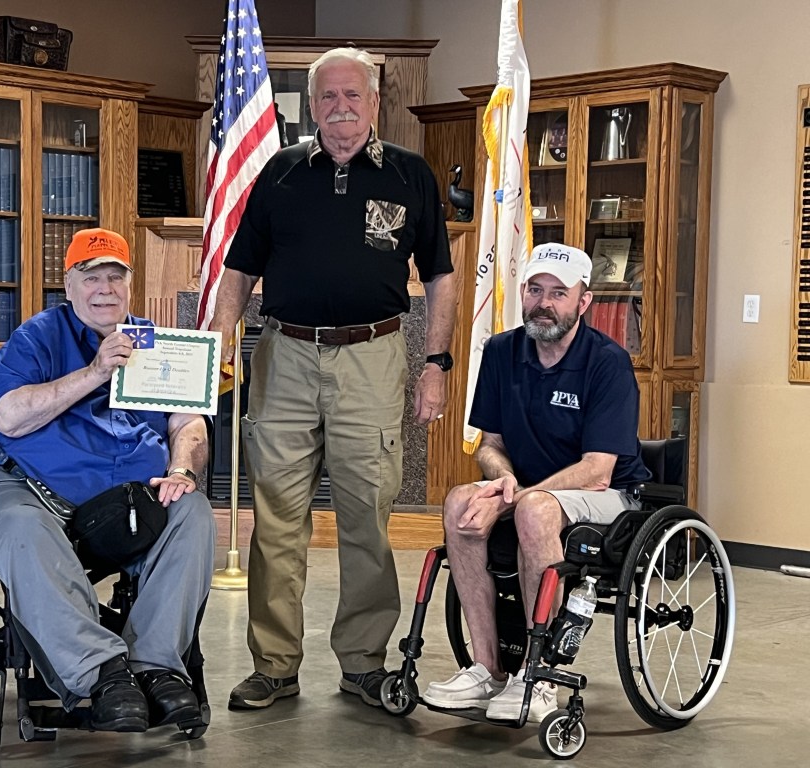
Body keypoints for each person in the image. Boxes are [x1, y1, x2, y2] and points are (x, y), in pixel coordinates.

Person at [209, 47, 458, 710]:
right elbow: (239, 270)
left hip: (373, 357)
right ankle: (274, 665)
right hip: (284, 358)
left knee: (367, 518)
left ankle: (364, 663)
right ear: (312, 107)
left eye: (354, 95)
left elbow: (440, 276)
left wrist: (435, 364)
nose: (341, 107)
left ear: (375, 103)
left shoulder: (409, 174)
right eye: (328, 96)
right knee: (276, 518)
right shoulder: (280, 173)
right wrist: (220, 344)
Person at [0, 227, 216, 732]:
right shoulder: (36, 338)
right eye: (91, 277)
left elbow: (188, 421)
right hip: (37, 491)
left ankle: (156, 665)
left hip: (131, 498)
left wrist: (181, 468)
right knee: (17, 526)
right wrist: (95, 373)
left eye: (115, 277)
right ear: (68, 285)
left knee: (191, 510)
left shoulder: (158, 343)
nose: (104, 289)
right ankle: (101, 673)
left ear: (129, 283)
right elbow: (9, 418)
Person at [423, 243, 651, 722]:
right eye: (535, 290)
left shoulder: (607, 362)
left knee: (535, 509)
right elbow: (489, 445)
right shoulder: (501, 351)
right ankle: (487, 669)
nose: (543, 303)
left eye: (558, 293)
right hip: (528, 488)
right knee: (460, 502)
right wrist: (503, 479)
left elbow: (598, 469)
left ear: (583, 302)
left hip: (609, 496)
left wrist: (515, 499)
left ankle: (538, 674)